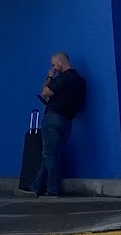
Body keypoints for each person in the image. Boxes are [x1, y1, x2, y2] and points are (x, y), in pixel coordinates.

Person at [32, 54, 86, 198]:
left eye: (54, 64)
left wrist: (50, 77)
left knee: (49, 155)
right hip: (68, 121)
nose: (54, 68)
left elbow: (45, 92)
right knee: (51, 154)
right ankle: (35, 186)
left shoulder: (62, 78)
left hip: (53, 118)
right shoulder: (80, 81)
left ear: (60, 61)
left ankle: (53, 189)